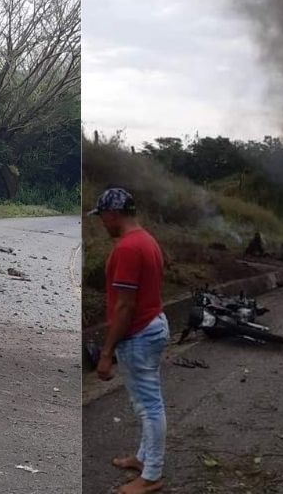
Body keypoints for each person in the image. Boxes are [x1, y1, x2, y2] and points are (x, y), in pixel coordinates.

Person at [90, 187, 168, 494]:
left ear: (113, 214)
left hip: (139, 332)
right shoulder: (146, 240)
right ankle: (143, 459)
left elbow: (125, 306)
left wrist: (107, 352)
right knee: (147, 401)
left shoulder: (127, 248)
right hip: (152, 325)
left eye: (102, 218)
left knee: (149, 406)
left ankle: (151, 476)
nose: (102, 224)